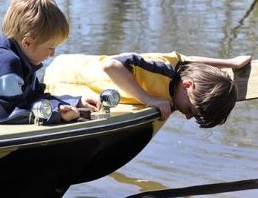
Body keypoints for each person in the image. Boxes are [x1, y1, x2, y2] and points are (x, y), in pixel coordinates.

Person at [0, 0, 101, 124]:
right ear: (27, 42)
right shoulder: (6, 64)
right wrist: (57, 115)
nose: (53, 54)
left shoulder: (23, 59)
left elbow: (34, 98)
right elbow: (7, 113)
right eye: (50, 47)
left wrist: (75, 102)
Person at [44, 52, 251, 128]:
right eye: (190, 110)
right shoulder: (160, 69)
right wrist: (148, 99)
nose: (187, 116)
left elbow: (190, 60)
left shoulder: (182, 73)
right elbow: (111, 65)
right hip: (64, 77)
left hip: (80, 86)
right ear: (188, 86)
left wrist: (230, 63)